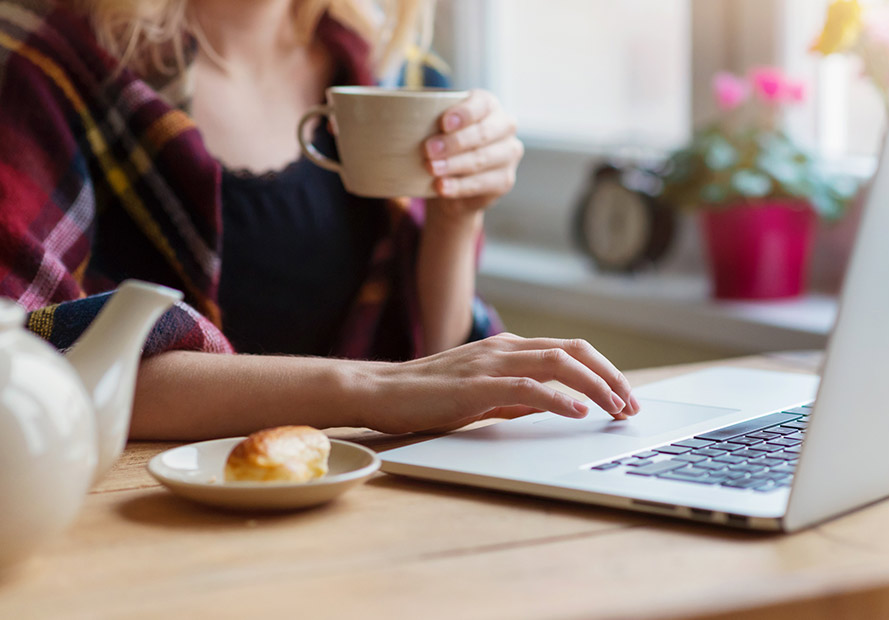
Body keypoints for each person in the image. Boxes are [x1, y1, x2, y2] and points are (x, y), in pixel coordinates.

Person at [0, 0, 640, 439]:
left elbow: (433, 370)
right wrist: (365, 389)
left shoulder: (394, 70)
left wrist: (457, 219)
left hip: (362, 507)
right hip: (149, 523)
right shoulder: (44, 63)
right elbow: (22, 356)